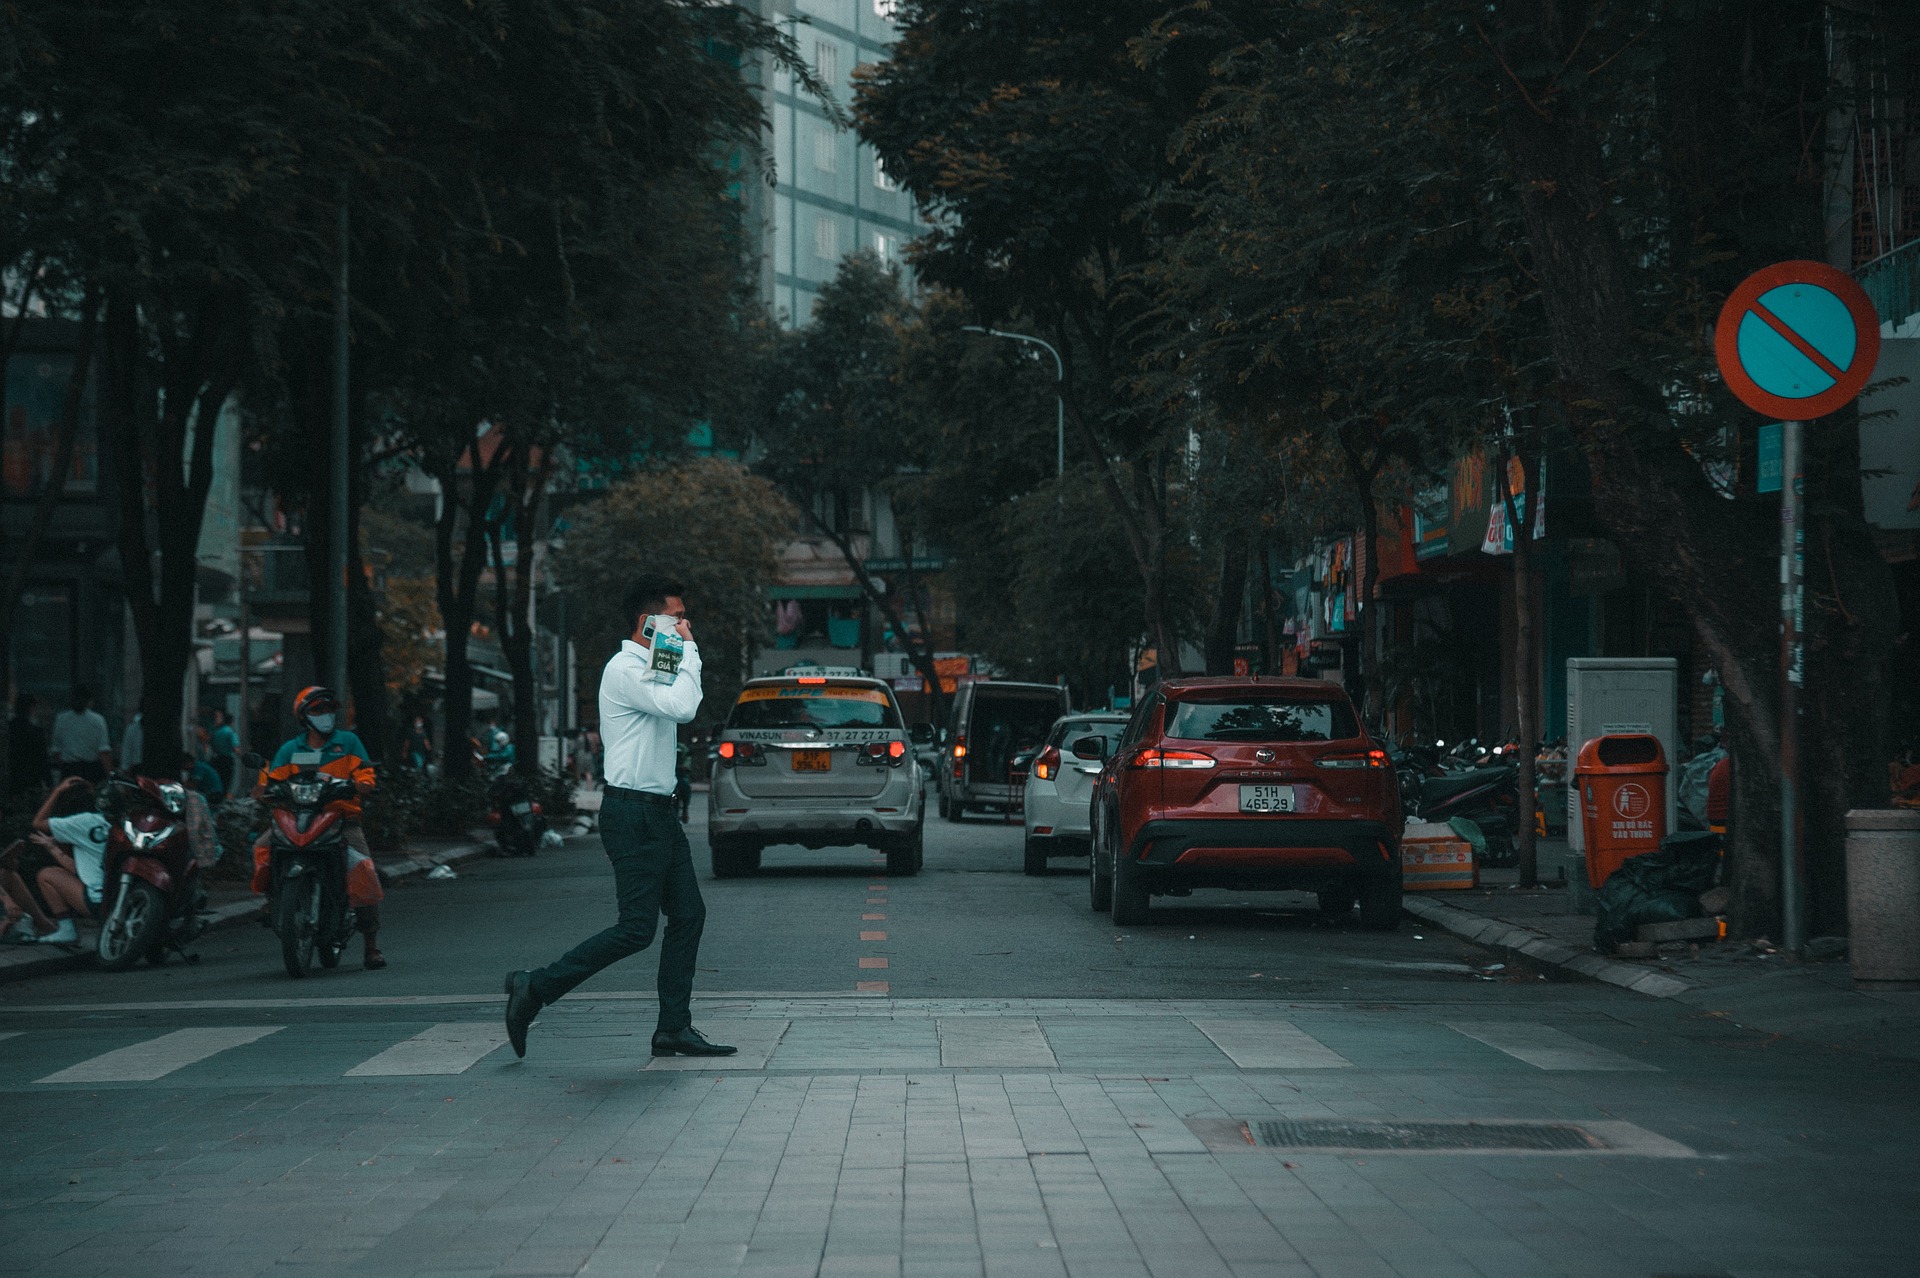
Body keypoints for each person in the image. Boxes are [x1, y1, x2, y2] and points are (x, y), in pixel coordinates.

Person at [503, 574, 733, 1060]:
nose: (685, 624)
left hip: (659, 813)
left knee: (689, 914)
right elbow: (684, 707)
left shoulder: (654, 662)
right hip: (632, 813)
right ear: (649, 623)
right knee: (636, 929)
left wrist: (675, 652)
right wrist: (690, 651)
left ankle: (673, 1027)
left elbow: (671, 702)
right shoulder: (624, 670)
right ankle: (536, 986)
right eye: (676, 617)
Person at [253, 686, 388, 969]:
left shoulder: (348, 742)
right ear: (303, 717)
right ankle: (270, 899)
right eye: (317, 710)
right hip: (297, 817)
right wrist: (264, 789)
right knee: (263, 846)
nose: (325, 715)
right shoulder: (290, 749)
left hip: (340, 819)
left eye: (328, 710)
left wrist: (362, 784)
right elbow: (269, 781)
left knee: (363, 868)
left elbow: (365, 773)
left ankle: (371, 946)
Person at [0, 777, 109, 945]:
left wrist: (57, 791)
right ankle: (46, 926)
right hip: (117, 900)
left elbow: (38, 822)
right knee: (13, 875)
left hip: (99, 901)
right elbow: (79, 870)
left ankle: (58, 929)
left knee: (45, 875)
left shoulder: (84, 821)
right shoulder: (112, 823)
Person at [50, 686, 112, 782]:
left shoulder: (61, 719)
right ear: (89, 701)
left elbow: (56, 751)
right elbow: (103, 752)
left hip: (69, 770)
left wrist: (65, 766)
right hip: (91, 771)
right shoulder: (98, 720)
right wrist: (110, 774)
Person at [8, 692, 48, 796]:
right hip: (32, 778)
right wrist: (48, 781)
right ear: (31, 708)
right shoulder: (36, 731)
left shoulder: (8, 730)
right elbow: (42, 759)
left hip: (11, 777)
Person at [207, 708, 239, 793]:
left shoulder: (222, 731)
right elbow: (235, 748)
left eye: (218, 717)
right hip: (222, 760)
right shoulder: (225, 731)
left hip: (220, 760)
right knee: (222, 782)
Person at [119, 699, 146, 773]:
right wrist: (125, 767)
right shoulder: (132, 729)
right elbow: (126, 751)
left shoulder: (132, 729)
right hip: (136, 769)